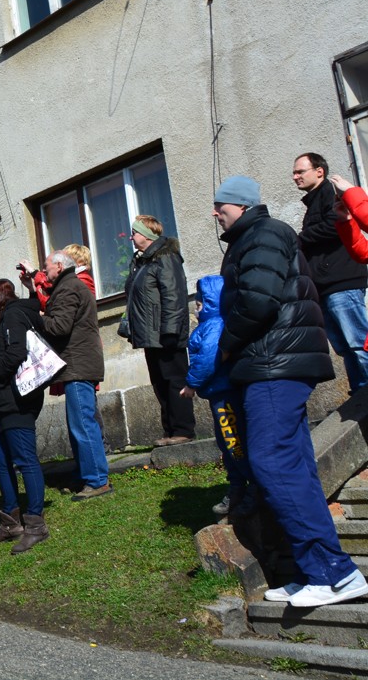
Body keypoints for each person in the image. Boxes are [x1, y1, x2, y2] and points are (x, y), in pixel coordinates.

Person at [213, 175, 367, 607]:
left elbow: (258, 302)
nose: (214, 211)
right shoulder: (255, 236)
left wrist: (224, 347)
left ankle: (334, 573)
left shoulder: (264, 234)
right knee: (293, 466)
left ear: (240, 205)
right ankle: (316, 569)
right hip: (273, 362)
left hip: (273, 364)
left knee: (272, 461)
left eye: (219, 204)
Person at [0, 279, 50, 553]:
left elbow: (17, 352)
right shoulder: (0, 320)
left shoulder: (14, 315)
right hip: (2, 404)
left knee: (25, 460)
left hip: (17, 402)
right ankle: (11, 522)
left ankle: (36, 526)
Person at [294, 153, 368, 392]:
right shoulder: (314, 200)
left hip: (342, 282)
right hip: (325, 285)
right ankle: (360, 397)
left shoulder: (329, 193)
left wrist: (299, 239)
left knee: (358, 343)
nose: (295, 177)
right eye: (294, 173)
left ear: (319, 171)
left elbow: (335, 227)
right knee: (345, 348)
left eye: (300, 171)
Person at [41, 250, 111, 501]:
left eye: (47, 266)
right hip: (78, 363)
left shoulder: (68, 288)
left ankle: (97, 481)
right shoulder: (68, 285)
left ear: (59, 266)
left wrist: (40, 319)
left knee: (83, 424)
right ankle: (88, 475)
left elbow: (59, 326)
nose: (45, 271)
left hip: (78, 365)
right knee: (81, 424)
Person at [179, 275, 251, 517]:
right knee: (226, 441)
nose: (196, 308)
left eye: (199, 303)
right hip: (219, 393)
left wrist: (191, 383)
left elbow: (208, 358)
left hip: (224, 394)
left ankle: (249, 489)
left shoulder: (214, 325)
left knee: (233, 441)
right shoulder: (211, 324)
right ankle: (238, 486)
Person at [122, 215, 195, 445]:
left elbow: (174, 296)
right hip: (151, 334)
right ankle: (170, 431)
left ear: (147, 234)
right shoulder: (144, 261)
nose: (131, 236)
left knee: (174, 380)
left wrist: (171, 331)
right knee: (160, 382)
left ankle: (183, 430)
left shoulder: (166, 257)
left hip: (166, 333)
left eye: (134, 232)